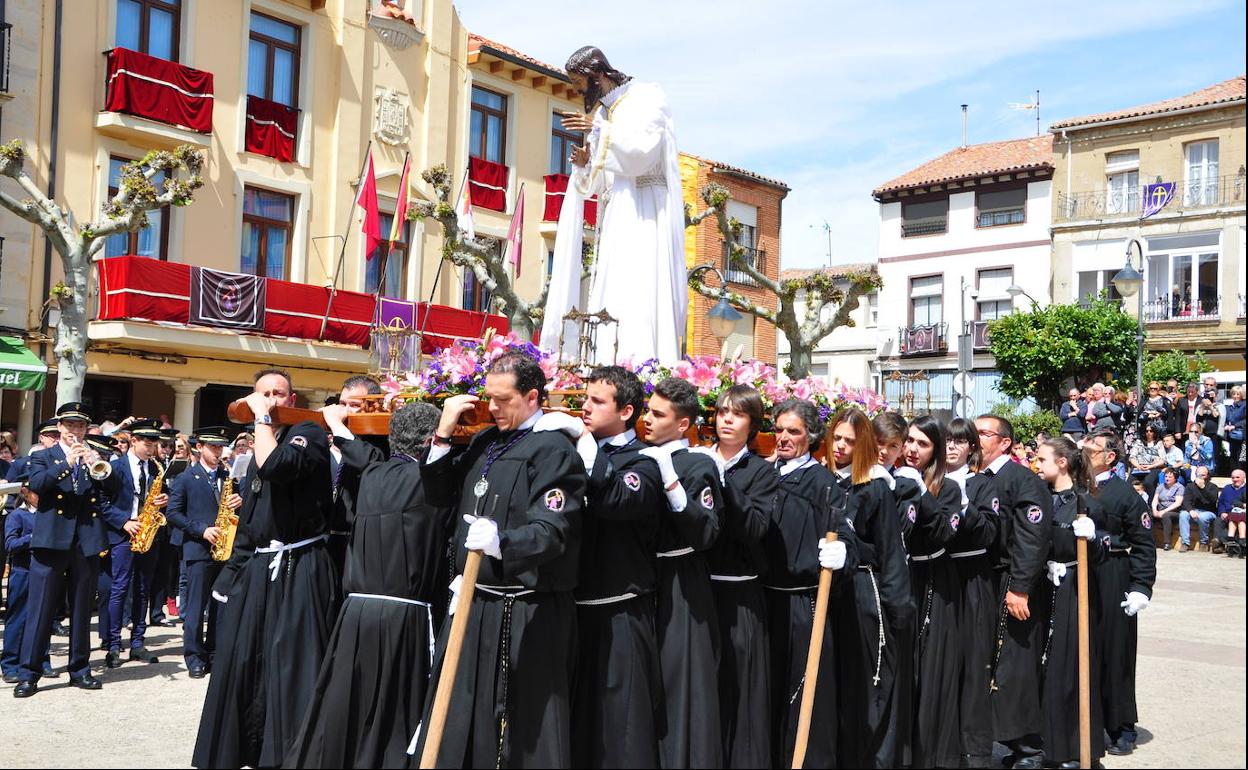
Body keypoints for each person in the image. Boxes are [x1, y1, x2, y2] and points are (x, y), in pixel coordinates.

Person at [413, 351, 586, 768]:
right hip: (475, 601)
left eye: (503, 399)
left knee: (520, 722)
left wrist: (502, 542)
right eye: (488, 398)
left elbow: (554, 530)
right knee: (459, 710)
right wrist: (442, 434)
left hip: (524, 607)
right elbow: (440, 497)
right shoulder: (486, 441)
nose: (492, 408)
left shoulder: (553, 450)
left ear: (531, 397)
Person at [287, 402, 450, 768]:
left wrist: (332, 419)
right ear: (429, 442)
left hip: (356, 613)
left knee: (347, 698)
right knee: (393, 709)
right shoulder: (430, 480)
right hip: (401, 617)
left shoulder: (374, 472)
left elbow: (350, 444)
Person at [192, 368, 341, 768]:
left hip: (300, 567)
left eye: (279, 393)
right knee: (244, 660)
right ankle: (247, 749)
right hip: (261, 566)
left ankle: (290, 755)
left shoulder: (308, 432)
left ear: (292, 400)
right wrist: (231, 573)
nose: (273, 399)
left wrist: (261, 418)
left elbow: (278, 465)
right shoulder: (259, 447)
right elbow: (253, 519)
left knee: (290, 665)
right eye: (264, 393)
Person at [532, 365, 667, 768]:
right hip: (570, 608)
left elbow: (620, 501)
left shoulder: (645, 460)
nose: (584, 408)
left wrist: (585, 446)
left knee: (620, 727)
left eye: (596, 401)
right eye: (584, 399)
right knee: (571, 722)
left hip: (620, 610)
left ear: (626, 411)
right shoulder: (572, 453)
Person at [542, 46, 686, 364]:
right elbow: (598, 180)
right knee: (616, 287)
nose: (577, 90)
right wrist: (584, 163)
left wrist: (597, 131)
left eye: (579, 82)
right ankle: (610, 361)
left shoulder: (647, 97)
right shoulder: (605, 115)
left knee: (641, 284)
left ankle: (644, 362)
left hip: (646, 209)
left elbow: (640, 153)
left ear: (597, 76)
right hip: (619, 212)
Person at [690, 384, 779, 768]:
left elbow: (757, 526)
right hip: (696, 591)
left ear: (753, 425)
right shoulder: (695, 460)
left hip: (740, 595)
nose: (727, 418)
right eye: (722, 411)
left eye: (737, 413)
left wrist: (723, 481)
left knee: (740, 687)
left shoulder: (761, 472)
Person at [765, 400, 856, 768]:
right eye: (780, 430)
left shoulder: (823, 484)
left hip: (804, 604)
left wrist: (844, 553)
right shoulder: (764, 473)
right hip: (762, 601)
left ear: (811, 436)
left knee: (803, 694)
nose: (784, 438)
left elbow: (848, 535)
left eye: (794, 431)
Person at [641, 376, 724, 769]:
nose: (648, 420)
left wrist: (671, 481)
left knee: (680, 683)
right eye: (647, 411)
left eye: (659, 414)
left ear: (683, 425)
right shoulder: (639, 456)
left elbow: (707, 530)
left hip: (682, 582)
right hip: (643, 580)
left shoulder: (698, 464)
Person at [13, 403, 119, 698]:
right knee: (41, 609)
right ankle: (29, 673)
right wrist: (66, 464)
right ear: (59, 427)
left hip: (85, 540)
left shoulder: (94, 457)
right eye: (70, 425)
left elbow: (115, 489)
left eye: (80, 426)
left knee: (83, 609)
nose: (75, 431)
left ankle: (80, 669)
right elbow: (36, 484)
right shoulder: (44, 456)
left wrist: (96, 463)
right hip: (51, 540)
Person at [826, 408, 910, 768]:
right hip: (825, 596)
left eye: (850, 440)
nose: (841, 446)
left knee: (868, 687)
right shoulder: (822, 480)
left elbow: (890, 552)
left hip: (862, 592)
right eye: (837, 437)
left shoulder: (874, 488)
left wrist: (897, 611)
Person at [975, 413, 1053, 769]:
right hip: (983, 583)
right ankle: (997, 738)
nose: (975, 439)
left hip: (1011, 583)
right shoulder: (979, 479)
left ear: (1005, 442)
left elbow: (1032, 538)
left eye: (983, 434)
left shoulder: (1021, 480)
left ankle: (1029, 748)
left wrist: (1020, 587)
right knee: (990, 662)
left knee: (1016, 666)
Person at [1082, 430, 1156, 756]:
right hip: (1077, 574)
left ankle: (1122, 725)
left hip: (1112, 574)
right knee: (1084, 651)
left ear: (1109, 457)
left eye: (1091, 449)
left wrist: (1141, 587)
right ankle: (1088, 719)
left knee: (1115, 651)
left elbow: (1143, 544)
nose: (1083, 453)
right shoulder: (1076, 487)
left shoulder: (1126, 495)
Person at [1033, 437, 1106, 768]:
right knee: (1045, 666)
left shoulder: (1085, 501)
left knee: (1071, 667)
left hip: (1073, 590)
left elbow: (1104, 553)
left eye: (1042, 458)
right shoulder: (1040, 497)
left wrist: (1092, 538)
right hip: (1043, 586)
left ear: (1062, 462)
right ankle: (1047, 744)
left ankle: (1075, 748)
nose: (1037, 464)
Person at [896, 416, 963, 769]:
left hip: (934, 579)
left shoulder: (948, 488)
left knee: (932, 667)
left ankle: (933, 755)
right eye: (908, 440)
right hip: (901, 577)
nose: (911, 449)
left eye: (922, 444)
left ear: (935, 450)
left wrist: (921, 492)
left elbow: (942, 532)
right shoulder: (892, 479)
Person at [164, 427, 243, 677]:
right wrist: (201, 530)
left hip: (224, 549)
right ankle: (194, 656)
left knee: (220, 605)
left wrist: (240, 501)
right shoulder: (186, 478)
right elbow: (173, 514)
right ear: (199, 447)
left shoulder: (228, 476)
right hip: (198, 549)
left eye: (220, 447)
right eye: (213, 447)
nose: (218, 451)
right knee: (196, 607)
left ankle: (214, 652)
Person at [944, 418, 999, 769]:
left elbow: (989, 533)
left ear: (971, 448)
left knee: (974, 662)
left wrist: (965, 506)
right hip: (937, 577)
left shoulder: (981, 485)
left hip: (972, 579)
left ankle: (975, 750)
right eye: (947, 440)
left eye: (959, 442)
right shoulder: (926, 481)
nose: (951, 447)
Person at [98, 419, 166, 668]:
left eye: (154, 444)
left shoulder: (156, 469)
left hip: (148, 534)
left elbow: (159, 496)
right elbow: (101, 501)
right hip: (124, 534)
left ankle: (137, 642)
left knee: (142, 590)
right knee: (120, 589)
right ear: (134, 441)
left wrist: (163, 500)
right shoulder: (116, 467)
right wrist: (124, 521)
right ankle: (114, 645)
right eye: (147, 443)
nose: (151, 449)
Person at [326, 375, 383, 572]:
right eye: (342, 404)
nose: (345, 411)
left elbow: (364, 461)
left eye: (354, 405)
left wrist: (336, 425)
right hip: (330, 539)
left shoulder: (380, 442)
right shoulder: (344, 438)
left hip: (360, 545)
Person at [1180, 466, 1220, 552]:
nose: (1201, 477)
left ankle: (1204, 543)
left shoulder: (1213, 487)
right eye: (1199, 475)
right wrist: (1191, 510)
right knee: (1183, 514)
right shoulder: (1190, 486)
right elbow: (1186, 501)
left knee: (1202, 517)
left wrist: (1203, 488)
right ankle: (1185, 543)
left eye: (1203, 475)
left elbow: (1212, 501)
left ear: (1208, 476)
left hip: (1209, 511)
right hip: (1194, 510)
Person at [1151, 468, 1185, 551]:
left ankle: (1167, 543)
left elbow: (1178, 503)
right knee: (1147, 515)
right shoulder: (1161, 486)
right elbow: (1155, 500)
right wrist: (1155, 510)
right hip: (1160, 509)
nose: (1167, 478)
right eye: (1166, 476)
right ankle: (1150, 541)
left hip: (1174, 512)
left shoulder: (1179, 487)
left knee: (1166, 516)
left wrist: (1164, 511)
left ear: (1175, 478)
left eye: (1170, 477)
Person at [1128, 425, 1165, 497]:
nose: (1148, 433)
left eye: (1151, 431)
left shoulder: (1159, 443)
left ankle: (1150, 504)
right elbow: (1132, 457)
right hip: (1138, 467)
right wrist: (1138, 466)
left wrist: (1151, 466)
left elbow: (1163, 460)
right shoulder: (1139, 442)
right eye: (1146, 431)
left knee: (1148, 483)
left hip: (1153, 467)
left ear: (1154, 432)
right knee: (1129, 483)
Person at [1216, 470, 1245, 557]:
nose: (1235, 479)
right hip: (1227, 514)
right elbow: (1221, 502)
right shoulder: (1227, 488)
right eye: (1233, 477)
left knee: (1238, 521)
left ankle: (1239, 544)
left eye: (1237, 477)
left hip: (1242, 515)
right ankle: (1218, 545)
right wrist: (1222, 512)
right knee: (1218, 520)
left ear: (1244, 478)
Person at [1223, 386, 1245, 472]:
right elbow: (1225, 419)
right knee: (1233, 456)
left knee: (1241, 457)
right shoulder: (1229, 407)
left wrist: (1234, 426)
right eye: (1233, 394)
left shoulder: (1244, 405)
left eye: (1238, 394)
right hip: (1232, 436)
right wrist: (1226, 425)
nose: (1235, 396)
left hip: (1242, 436)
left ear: (1241, 395)